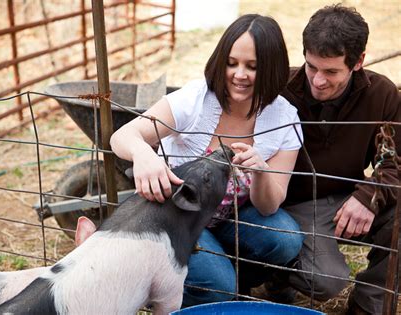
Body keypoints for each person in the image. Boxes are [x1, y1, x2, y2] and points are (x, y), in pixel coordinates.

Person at [110, 14, 305, 307]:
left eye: (253, 67)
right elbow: (123, 135)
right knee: (218, 285)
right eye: (232, 63)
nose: (239, 74)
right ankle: (188, 287)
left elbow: (269, 205)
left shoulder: (284, 118)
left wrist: (262, 171)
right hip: (176, 217)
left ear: (272, 69)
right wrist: (143, 154)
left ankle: (228, 278)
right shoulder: (197, 99)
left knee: (285, 238)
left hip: (228, 218)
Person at [275, 4, 401, 315]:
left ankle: (367, 305)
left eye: (331, 71)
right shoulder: (279, 90)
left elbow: (395, 161)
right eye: (311, 66)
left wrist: (369, 196)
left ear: (358, 62)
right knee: (327, 281)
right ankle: (273, 278)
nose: (317, 81)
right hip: (294, 205)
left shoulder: (382, 94)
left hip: (349, 195)